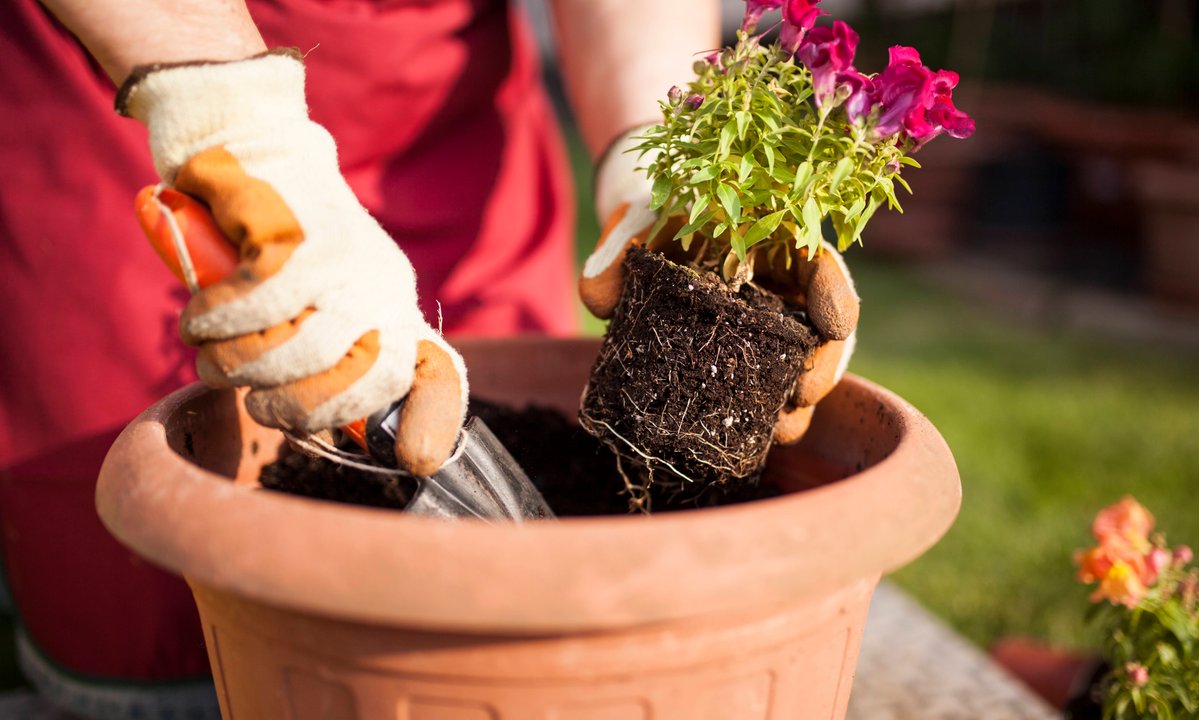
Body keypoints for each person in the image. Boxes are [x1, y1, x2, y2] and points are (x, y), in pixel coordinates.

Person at [0, 1, 719, 717]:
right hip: (152, 102)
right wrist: (235, 123)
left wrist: (649, 153)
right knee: (170, 659)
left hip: (448, 156)